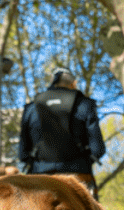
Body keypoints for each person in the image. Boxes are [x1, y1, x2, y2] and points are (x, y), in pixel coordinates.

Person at [18, 68, 106, 196]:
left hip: (39, 178)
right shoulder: (85, 104)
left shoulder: (31, 107)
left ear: (53, 82)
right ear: (73, 83)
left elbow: (22, 153)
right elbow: (98, 149)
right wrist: (83, 162)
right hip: (78, 176)